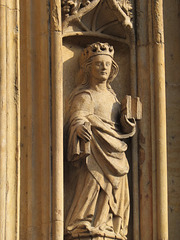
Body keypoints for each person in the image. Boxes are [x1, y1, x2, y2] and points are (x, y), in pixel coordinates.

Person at [64, 42, 136, 240]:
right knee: (93, 183)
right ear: (89, 69)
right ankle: (85, 221)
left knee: (115, 190)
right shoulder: (85, 95)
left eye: (107, 64)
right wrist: (79, 127)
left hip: (116, 152)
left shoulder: (114, 97)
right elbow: (77, 117)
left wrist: (128, 123)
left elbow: (122, 127)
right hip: (95, 150)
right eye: (98, 64)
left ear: (112, 69)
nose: (103, 68)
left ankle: (110, 226)